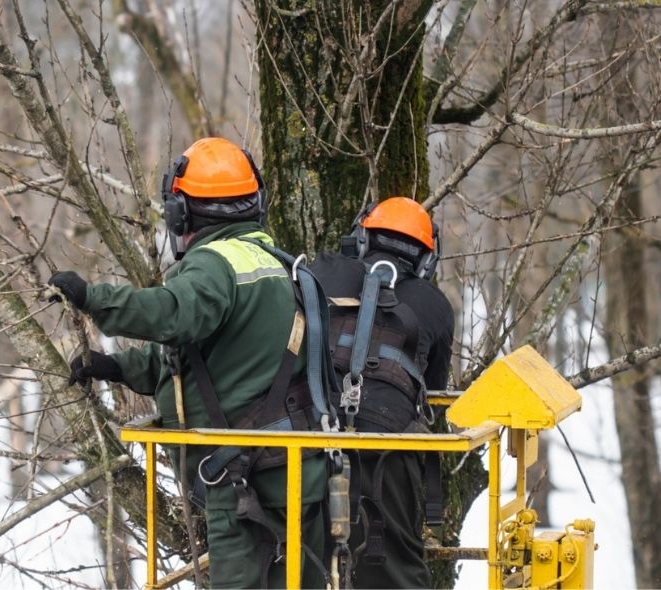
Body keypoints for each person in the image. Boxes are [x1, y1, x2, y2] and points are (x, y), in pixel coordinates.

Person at [48, 137, 327, 589]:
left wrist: (93, 298)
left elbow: (173, 314)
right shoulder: (275, 264)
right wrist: (116, 368)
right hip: (296, 471)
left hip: (245, 479)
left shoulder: (215, 265)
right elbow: (212, 363)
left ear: (181, 214)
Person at [311, 196, 455, 589]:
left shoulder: (323, 270)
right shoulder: (436, 306)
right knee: (394, 562)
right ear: (426, 261)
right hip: (389, 441)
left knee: (299, 551)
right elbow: (434, 391)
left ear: (363, 238)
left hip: (309, 426)